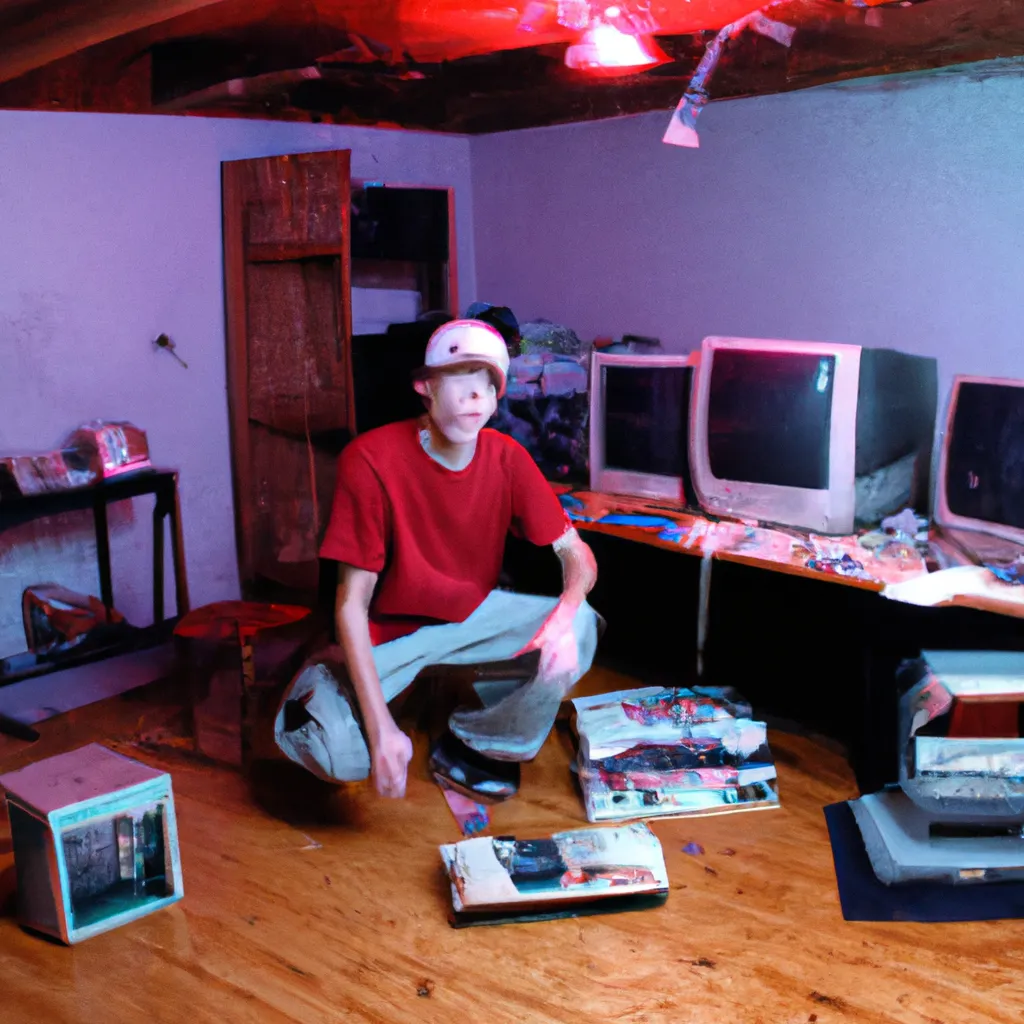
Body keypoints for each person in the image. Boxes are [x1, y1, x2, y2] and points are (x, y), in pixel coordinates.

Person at [275, 318, 601, 798]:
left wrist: (565, 614)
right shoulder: (369, 459)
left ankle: (477, 742)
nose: (476, 396)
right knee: (331, 751)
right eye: (460, 379)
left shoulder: (506, 456)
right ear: (424, 387)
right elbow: (351, 603)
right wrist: (382, 728)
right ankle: (325, 674)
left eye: (487, 384)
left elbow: (578, 555)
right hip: (391, 634)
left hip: (471, 614)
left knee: (582, 627)